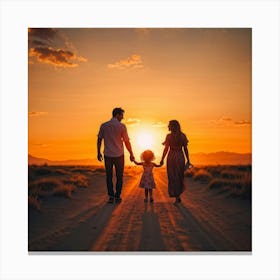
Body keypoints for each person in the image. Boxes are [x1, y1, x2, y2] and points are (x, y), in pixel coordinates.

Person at [97, 107, 135, 203]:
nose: (122, 117)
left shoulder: (104, 125)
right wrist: (131, 154)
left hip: (108, 154)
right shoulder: (122, 126)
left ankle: (111, 196)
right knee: (119, 176)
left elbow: (99, 139)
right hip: (119, 155)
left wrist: (98, 152)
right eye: (122, 115)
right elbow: (126, 142)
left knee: (108, 176)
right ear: (117, 114)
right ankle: (117, 196)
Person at [160, 120, 191, 203]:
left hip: (171, 157)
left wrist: (162, 159)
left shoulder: (169, 136)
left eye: (169, 125)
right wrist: (188, 160)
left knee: (172, 176)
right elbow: (185, 149)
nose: (168, 126)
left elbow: (166, 149)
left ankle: (176, 196)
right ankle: (178, 195)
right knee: (179, 176)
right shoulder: (183, 136)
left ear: (173, 126)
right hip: (180, 156)